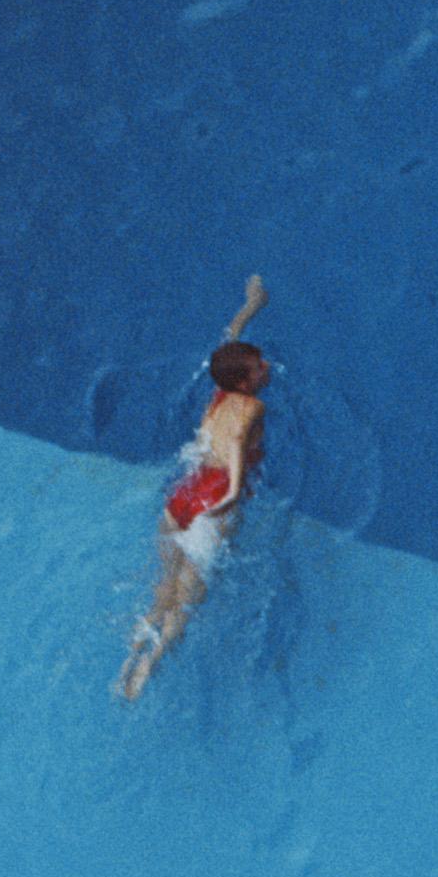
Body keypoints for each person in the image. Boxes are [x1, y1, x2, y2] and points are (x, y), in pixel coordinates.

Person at [118, 283, 269, 697]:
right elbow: (238, 439)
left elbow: (229, 341)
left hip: (183, 495)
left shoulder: (219, 392)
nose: (266, 368)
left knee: (164, 586)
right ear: (245, 380)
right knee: (187, 601)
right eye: (259, 367)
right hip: (214, 499)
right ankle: (151, 663)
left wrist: (250, 306)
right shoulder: (252, 407)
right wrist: (236, 489)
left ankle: (130, 654)